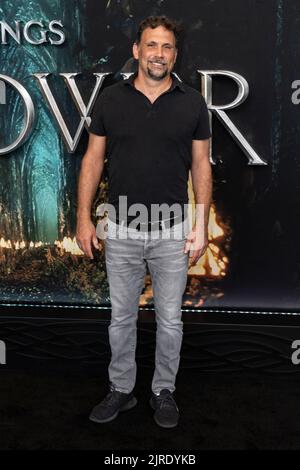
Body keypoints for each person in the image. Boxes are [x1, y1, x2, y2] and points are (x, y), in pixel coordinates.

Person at [76, 15, 212, 429]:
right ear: (137, 50)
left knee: (170, 319)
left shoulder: (192, 102)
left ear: (175, 54)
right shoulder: (112, 99)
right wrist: (83, 218)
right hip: (120, 227)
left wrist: (201, 223)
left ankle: (162, 391)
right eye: (152, 45)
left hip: (172, 229)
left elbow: (201, 165)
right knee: (121, 317)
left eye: (167, 47)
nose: (159, 54)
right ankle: (121, 390)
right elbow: (93, 159)